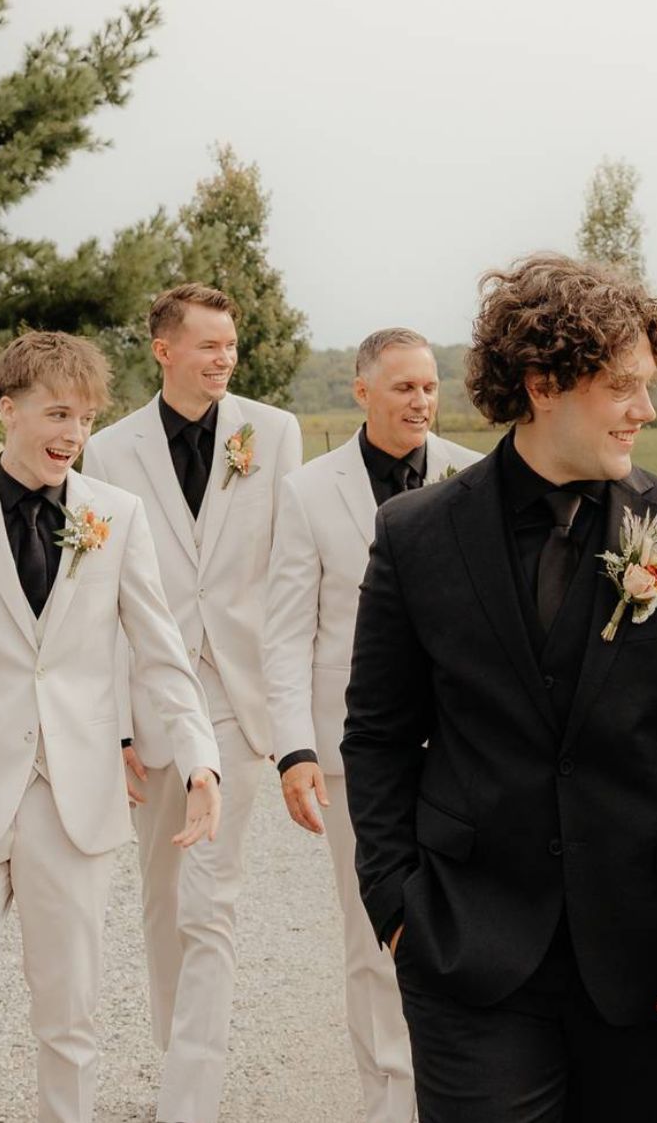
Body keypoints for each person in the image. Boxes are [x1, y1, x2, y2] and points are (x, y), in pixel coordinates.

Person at [342, 253, 657, 1123]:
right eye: (622, 386)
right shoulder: (416, 534)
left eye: (647, 385)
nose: (646, 410)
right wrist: (397, 906)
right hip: (467, 949)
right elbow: (379, 735)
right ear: (543, 383)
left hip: (643, 957)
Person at [0, 330, 222, 1123]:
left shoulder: (117, 515)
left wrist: (201, 758)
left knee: (70, 1017)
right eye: (58, 412)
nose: (74, 433)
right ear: (8, 408)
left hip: (76, 798)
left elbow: (162, 654)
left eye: (87, 418)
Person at [78, 283, 301, 1123]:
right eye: (207, 345)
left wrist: (286, 709)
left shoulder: (271, 433)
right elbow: (94, 602)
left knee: (213, 898)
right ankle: (183, 1054)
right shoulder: (107, 450)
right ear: (162, 349)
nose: (223, 359)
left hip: (237, 698)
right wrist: (120, 727)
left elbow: (288, 571)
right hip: (150, 696)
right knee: (163, 894)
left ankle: (190, 1099)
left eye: (231, 347)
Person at [265, 326, 482, 1122]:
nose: (421, 400)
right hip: (354, 751)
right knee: (375, 934)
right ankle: (388, 1099)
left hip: (465, 747)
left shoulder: (473, 474)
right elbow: (286, 629)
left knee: (466, 922)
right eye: (403, 387)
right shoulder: (309, 490)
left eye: (429, 386)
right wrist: (293, 747)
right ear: (363, 391)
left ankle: (460, 1087)